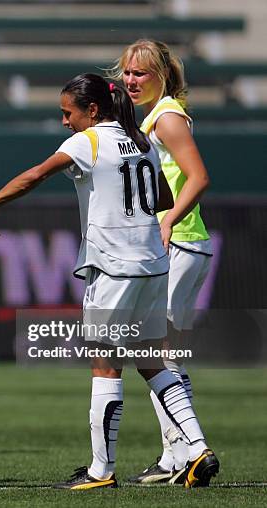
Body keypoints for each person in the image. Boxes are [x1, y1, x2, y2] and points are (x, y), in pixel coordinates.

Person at [0, 73, 219, 489]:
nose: (65, 121)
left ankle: (101, 471)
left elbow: (35, 176)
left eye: (68, 113)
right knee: (153, 361)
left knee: (106, 368)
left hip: (114, 268)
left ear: (93, 110)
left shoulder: (89, 142)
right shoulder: (141, 141)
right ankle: (197, 447)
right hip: (154, 263)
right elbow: (164, 201)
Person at [109, 39, 215, 485]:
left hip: (181, 242)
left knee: (157, 354)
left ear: (162, 76)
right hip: (176, 245)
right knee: (159, 353)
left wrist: (170, 220)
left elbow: (199, 176)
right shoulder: (150, 115)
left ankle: (187, 452)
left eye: (140, 73)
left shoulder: (167, 116)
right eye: (127, 73)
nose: (131, 81)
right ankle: (177, 452)